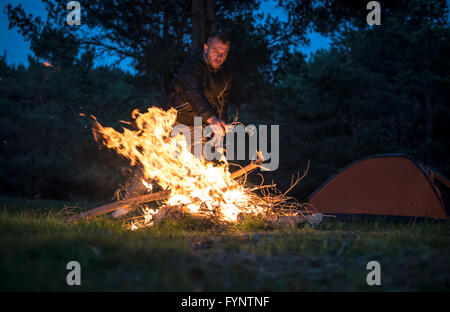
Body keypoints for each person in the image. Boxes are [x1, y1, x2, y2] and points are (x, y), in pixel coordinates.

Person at [112, 31, 233, 218]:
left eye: (223, 52)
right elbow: (193, 92)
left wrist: (220, 122)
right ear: (206, 48)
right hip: (173, 120)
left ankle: (186, 210)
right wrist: (211, 117)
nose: (219, 56)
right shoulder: (192, 66)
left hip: (197, 125)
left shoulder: (225, 75)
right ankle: (127, 205)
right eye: (216, 50)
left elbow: (222, 102)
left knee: (196, 167)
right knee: (151, 163)